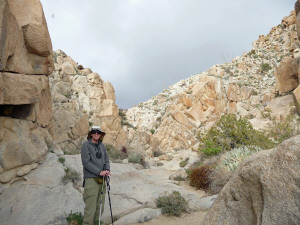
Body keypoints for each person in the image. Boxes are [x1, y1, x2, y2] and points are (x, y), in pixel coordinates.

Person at [81, 126, 111, 225]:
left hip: (102, 180)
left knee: (99, 208)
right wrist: (99, 172)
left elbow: (106, 159)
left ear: (101, 134)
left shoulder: (102, 146)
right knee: (90, 209)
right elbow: (86, 162)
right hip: (91, 179)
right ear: (91, 133)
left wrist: (107, 170)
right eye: (94, 132)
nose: (96, 134)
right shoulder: (86, 145)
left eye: (98, 132)